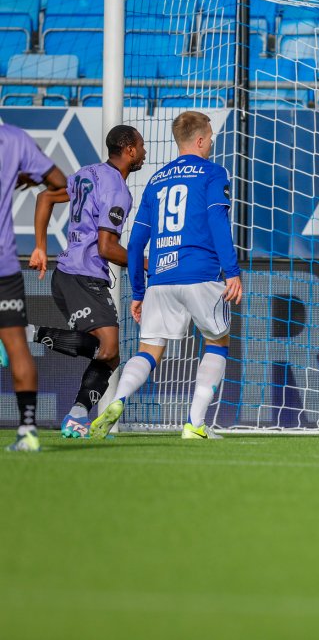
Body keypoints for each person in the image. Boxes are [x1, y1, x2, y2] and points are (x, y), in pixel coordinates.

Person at [88, 111, 243, 440]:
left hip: (160, 278)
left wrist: (139, 292)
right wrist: (232, 271)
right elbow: (218, 222)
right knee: (217, 343)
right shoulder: (213, 173)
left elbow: (135, 246)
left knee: (148, 351)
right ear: (199, 140)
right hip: (200, 273)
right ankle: (195, 424)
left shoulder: (156, 180)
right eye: (210, 136)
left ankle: (117, 401)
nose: (212, 141)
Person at [26, 125, 146, 438]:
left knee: (109, 352)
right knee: (108, 350)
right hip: (83, 277)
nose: (144, 152)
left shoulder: (85, 174)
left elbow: (44, 197)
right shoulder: (118, 190)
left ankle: (77, 415)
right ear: (130, 150)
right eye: (142, 147)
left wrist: (40, 245)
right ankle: (24, 333)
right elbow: (107, 248)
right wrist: (147, 264)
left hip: (66, 276)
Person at [0, 124, 67, 451]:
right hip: (4, 266)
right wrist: (20, 178)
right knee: (17, 348)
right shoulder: (15, 140)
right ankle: (28, 430)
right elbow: (60, 183)